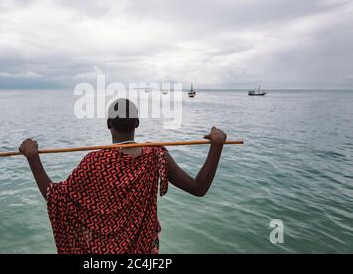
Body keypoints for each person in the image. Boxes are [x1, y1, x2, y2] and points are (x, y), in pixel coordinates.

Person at [19, 98, 227, 254]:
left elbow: (56, 198)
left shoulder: (96, 162)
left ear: (108, 124)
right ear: (137, 123)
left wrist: (33, 158)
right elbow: (199, 187)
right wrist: (217, 146)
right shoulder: (156, 155)